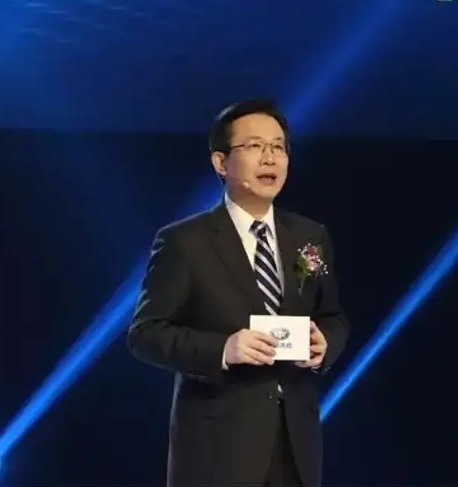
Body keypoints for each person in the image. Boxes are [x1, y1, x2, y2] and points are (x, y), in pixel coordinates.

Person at [127, 99, 350, 487]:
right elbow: (145, 334)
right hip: (217, 450)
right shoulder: (184, 241)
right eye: (255, 146)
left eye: (278, 147)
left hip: (295, 445)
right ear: (221, 162)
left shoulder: (309, 237)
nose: (270, 157)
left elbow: (332, 315)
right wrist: (223, 350)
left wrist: (324, 343)